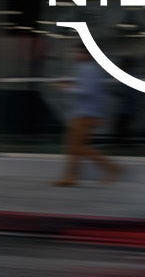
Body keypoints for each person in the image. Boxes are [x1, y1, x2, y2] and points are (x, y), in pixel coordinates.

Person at [54, 46, 125, 186]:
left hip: (85, 114)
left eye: (77, 52)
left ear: (86, 55)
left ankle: (112, 168)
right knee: (74, 146)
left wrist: (67, 88)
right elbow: (90, 90)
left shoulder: (88, 69)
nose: (74, 54)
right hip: (87, 114)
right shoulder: (89, 69)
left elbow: (87, 92)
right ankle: (71, 177)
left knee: (77, 147)